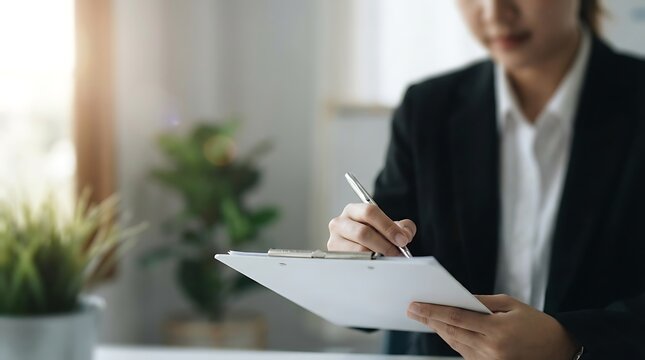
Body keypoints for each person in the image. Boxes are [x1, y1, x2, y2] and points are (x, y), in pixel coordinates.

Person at [327, 0, 645, 359]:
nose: (493, 13)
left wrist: (572, 342)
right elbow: (382, 273)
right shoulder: (428, 108)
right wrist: (357, 259)